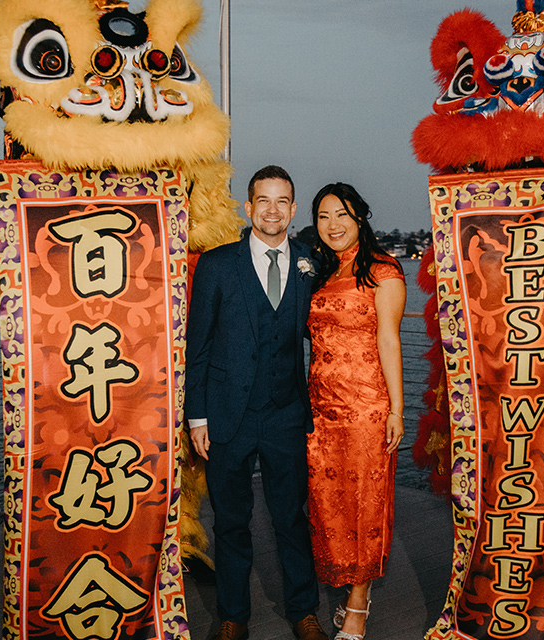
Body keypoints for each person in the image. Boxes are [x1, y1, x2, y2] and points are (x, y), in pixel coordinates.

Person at [185, 165, 327, 640]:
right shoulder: (218, 263)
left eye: (282, 201)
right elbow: (198, 345)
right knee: (230, 520)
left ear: (292, 208)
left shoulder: (311, 261)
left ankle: (304, 611)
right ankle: (232, 616)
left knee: (291, 517)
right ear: (248, 208)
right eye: (263, 200)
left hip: (286, 413)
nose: (272, 209)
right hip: (227, 415)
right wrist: (197, 415)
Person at [305, 183, 406, 640]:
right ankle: (347, 583)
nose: (333, 225)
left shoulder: (384, 272)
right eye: (324, 216)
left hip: (366, 407)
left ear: (360, 218)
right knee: (329, 505)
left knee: (365, 502)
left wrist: (397, 409)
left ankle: (359, 601)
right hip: (320, 409)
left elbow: (388, 340)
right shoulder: (322, 272)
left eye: (342, 214)